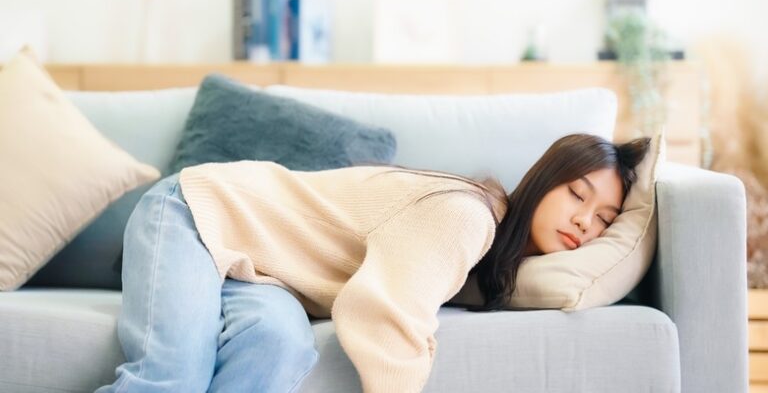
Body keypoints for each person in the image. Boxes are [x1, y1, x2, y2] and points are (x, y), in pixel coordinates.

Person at [95, 133, 649, 393]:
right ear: (543, 182)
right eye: (577, 195)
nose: (586, 223)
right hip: (197, 211)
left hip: (262, 272)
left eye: (605, 218)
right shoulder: (468, 216)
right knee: (171, 380)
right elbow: (381, 312)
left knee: (279, 347)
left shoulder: (498, 262)